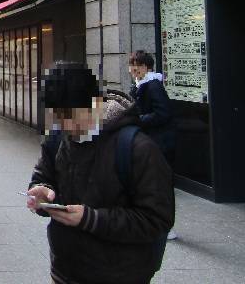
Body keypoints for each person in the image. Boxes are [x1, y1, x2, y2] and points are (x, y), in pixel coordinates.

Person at [26, 62, 174, 284]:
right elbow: (43, 176)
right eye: (58, 117)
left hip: (119, 274)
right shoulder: (56, 139)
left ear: (95, 103)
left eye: (72, 117)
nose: (65, 126)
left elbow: (157, 219)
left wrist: (90, 218)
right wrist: (42, 192)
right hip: (64, 269)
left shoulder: (137, 148)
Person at [128, 50, 177, 240]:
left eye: (138, 66)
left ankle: (167, 225)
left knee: (162, 183)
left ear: (146, 67)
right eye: (132, 65)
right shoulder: (141, 84)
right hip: (151, 141)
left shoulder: (153, 85)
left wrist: (139, 120)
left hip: (160, 142)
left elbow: (163, 113)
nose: (133, 69)